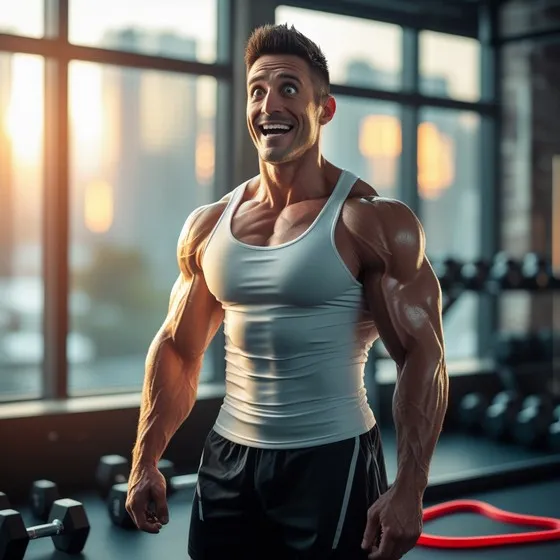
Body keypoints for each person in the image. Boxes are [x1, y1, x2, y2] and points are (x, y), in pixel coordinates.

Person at [125, 23, 449, 560]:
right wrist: (144, 459)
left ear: (325, 109)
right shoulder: (209, 226)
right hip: (227, 456)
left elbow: (424, 356)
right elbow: (178, 349)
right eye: (257, 90)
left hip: (331, 458)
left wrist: (411, 487)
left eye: (288, 88)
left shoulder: (370, 222)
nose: (268, 103)